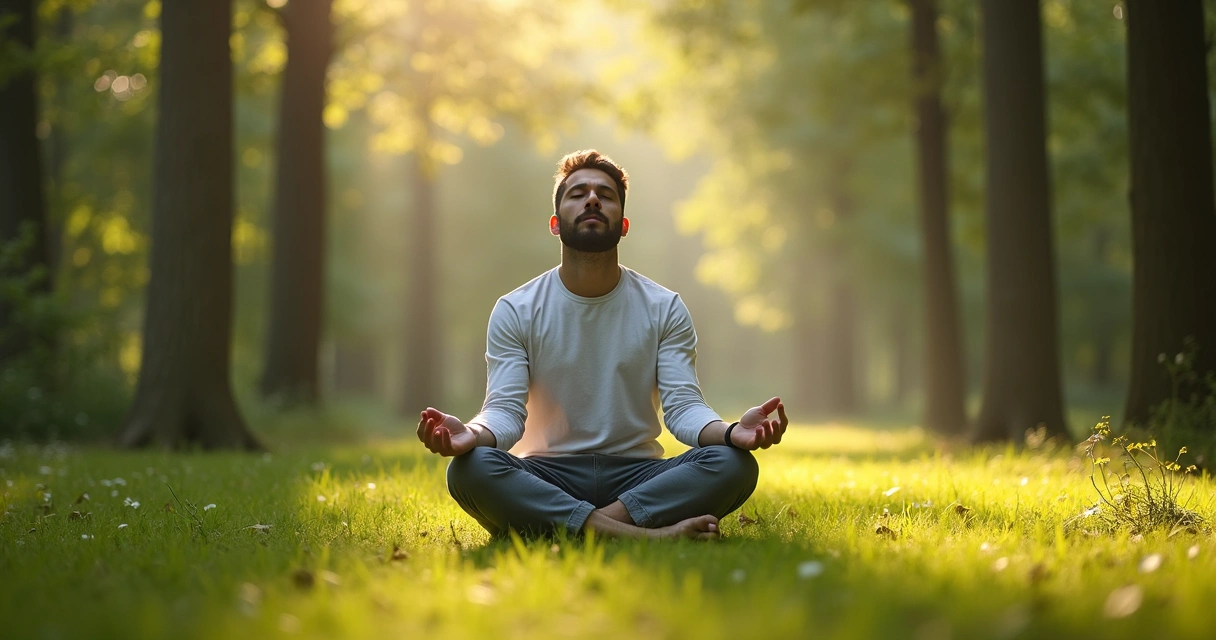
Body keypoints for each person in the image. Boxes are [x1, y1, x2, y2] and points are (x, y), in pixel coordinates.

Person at [417, 149, 789, 540]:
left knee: (735, 464)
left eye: (605, 194)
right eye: (577, 193)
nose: (592, 198)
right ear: (555, 224)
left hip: (637, 476)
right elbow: (504, 412)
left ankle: (571, 527)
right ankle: (643, 534)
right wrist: (471, 435)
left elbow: (683, 408)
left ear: (623, 224)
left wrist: (731, 434)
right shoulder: (516, 309)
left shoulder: (664, 307)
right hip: (547, 473)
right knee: (469, 468)